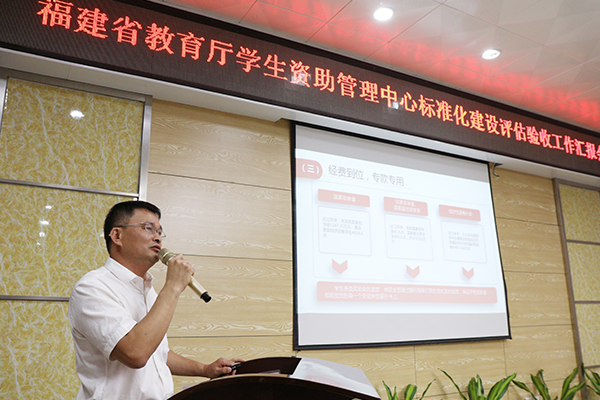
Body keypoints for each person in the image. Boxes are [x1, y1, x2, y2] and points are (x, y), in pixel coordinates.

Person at [68, 200, 242, 400]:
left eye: (160, 231)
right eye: (148, 228)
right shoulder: (92, 288)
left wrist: (205, 369)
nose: (157, 237)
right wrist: (173, 287)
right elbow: (136, 353)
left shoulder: (146, 289)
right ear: (117, 236)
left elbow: (158, 354)